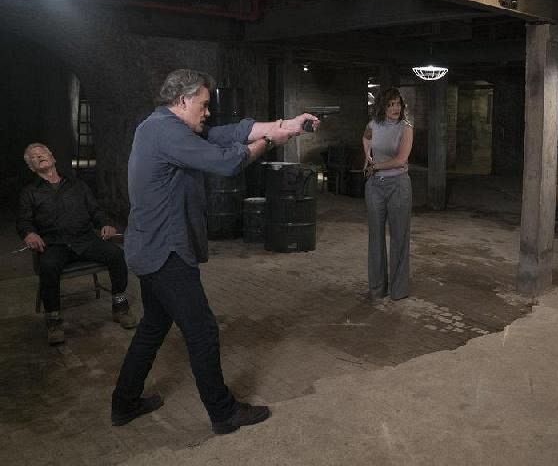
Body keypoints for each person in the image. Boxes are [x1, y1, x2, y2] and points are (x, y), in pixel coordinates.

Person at [111, 69, 318, 434]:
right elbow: (227, 161)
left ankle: (124, 403)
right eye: (204, 105)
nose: (207, 112)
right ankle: (223, 414)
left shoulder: (162, 126)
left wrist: (283, 125)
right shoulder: (164, 132)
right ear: (183, 100)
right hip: (165, 252)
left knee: (154, 326)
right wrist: (268, 141)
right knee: (203, 331)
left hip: (148, 247)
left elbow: (224, 133)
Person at [17, 143, 136, 346]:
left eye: (42, 153)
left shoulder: (77, 185)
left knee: (116, 255)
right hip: (54, 244)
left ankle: (120, 308)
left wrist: (105, 224)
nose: (39, 157)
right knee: (48, 266)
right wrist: (29, 233)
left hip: (85, 240)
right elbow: (24, 221)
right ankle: (54, 322)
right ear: (31, 167)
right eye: (34, 157)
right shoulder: (30, 192)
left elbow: (95, 211)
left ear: (52, 157)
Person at [362, 87, 414, 301]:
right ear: (382, 106)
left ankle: (398, 290)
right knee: (375, 237)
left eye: (398, 104)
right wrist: (367, 156)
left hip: (398, 185)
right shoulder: (373, 125)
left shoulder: (406, 128)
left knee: (399, 237)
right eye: (391, 104)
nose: (395, 108)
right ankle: (377, 289)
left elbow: (401, 160)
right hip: (375, 186)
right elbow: (366, 137)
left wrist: (375, 166)